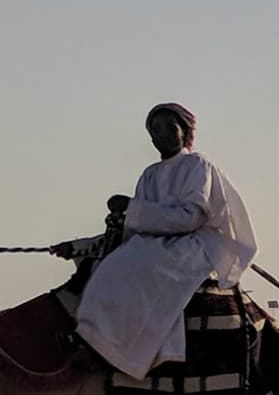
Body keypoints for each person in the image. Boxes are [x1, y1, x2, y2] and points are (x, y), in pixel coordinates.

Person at [72, 106, 258, 377]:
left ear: (185, 132)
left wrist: (131, 207)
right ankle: (97, 337)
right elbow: (133, 230)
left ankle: (151, 349)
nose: (162, 135)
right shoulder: (149, 174)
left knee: (141, 263)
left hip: (195, 242)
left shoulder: (197, 166)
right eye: (156, 130)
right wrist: (79, 246)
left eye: (170, 128)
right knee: (113, 263)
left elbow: (189, 218)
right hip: (156, 243)